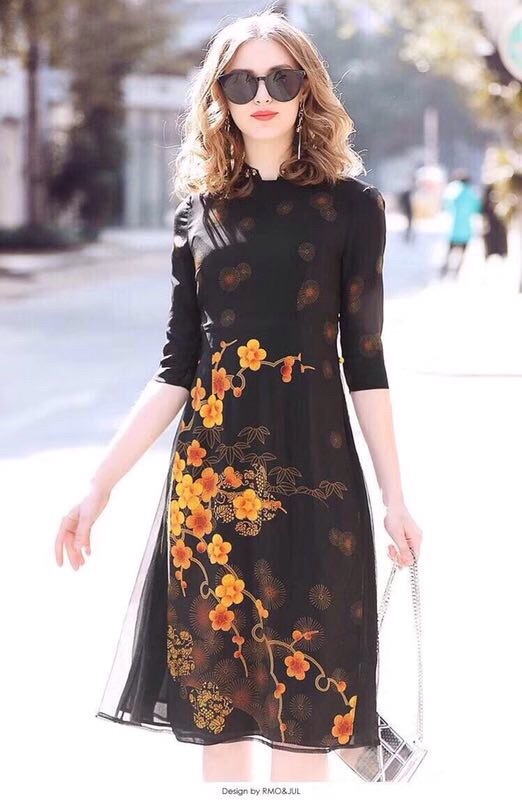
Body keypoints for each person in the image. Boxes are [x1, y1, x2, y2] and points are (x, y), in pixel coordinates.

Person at [54, 10, 423, 784]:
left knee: (303, 721)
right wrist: (99, 486)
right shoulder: (197, 213)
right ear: (218, 95)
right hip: (208, 496)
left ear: (306, 89)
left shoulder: (352, 208)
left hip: (315, 485)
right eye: (242, 81)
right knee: (218, 715)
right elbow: (174, 368)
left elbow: (366, 362)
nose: (263, 96)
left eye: (280, 79)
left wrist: (396, 498)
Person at [440, 168, 482, 278]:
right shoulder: (471, 192)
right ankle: (457, 271)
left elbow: (446, 204)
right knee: (462, 252)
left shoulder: (452, 189)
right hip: (465, 229)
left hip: (453, 228)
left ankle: (445, 268)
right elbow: (476, 208)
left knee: (450, 250)